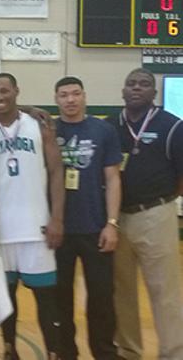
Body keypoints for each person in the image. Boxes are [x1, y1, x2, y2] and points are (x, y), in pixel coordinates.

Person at [0, 73, 64, 360]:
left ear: (17, 90)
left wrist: (57, 219)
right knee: (7, 298)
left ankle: (53, 350)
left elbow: (56, 172)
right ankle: (9, 349)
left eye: (5, 90)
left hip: (36, 227)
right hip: (2, 230)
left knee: (46, 297)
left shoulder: (39, 127)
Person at [108, 68, 183, 360]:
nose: (136, 88)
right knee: (121, 291)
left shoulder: (173, 127)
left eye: (144, 84)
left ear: (154, 93)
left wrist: (165, 200)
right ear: (123, 91)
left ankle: (174, 353)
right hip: (117, 220)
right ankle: (128, 351)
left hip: (156, 214)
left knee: (165, 292)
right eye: (131, 84)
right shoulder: (111, 125)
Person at [53, 76, 122, 360]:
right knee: (60, 299)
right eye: (64, 95)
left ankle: (104, 352)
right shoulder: (47, 130)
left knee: (102, 299)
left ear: (84, 96)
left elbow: (113, 178)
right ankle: (66, 352)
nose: (70, 100)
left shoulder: (103, 130)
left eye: (75, 94)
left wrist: (112, 223)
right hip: (58, 231)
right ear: (56, 99)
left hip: (96, 228)